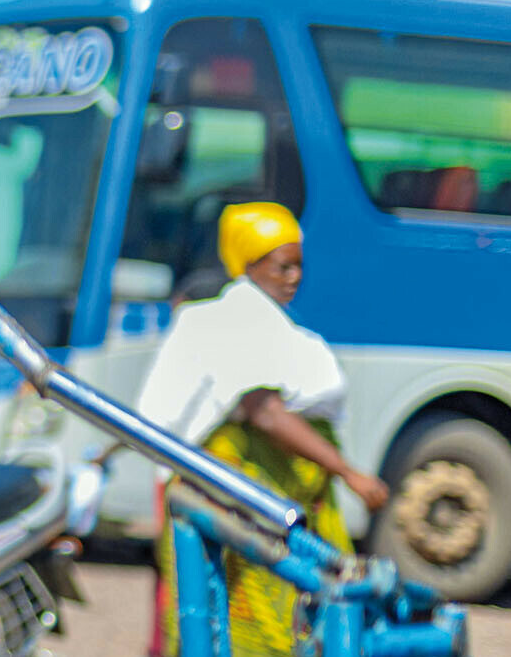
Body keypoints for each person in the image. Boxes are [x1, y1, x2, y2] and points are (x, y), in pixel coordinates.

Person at [136, 203, 389, 657]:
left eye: (298, 266)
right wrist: (349, 472)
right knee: (251, 614)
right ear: (250, 265)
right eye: (282, 266)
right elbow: (265, 410)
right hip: (247, 494)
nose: (294, 277)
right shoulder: (239, 318)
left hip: (263, 492)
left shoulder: (264, 321)